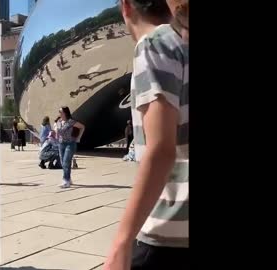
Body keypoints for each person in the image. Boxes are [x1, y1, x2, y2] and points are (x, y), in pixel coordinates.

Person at [103, 1, 189, 270]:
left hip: (169, 232)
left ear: (126, 7)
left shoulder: (155, 45)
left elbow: (162, 148)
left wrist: (122, 242)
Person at [57, 106, 85, 188]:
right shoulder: (59, 122)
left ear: (65, 113)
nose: (60, 114)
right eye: (59, 112)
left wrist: (79, 137)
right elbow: (58, 132)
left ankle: (66, 180)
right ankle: (68, 179)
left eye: (61, 112)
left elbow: (82, 127)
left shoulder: (71, 122)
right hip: (61, 143)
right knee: (63, 162)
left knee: (66, 161)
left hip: (70, 144)